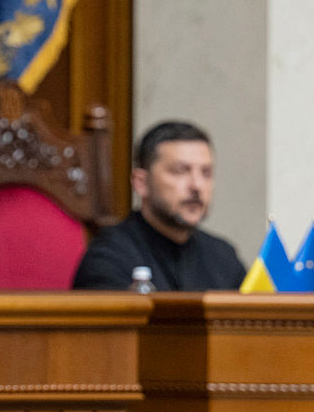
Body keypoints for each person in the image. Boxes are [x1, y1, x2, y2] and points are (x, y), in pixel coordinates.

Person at [72, 121, 247, 291]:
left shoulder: (223, 257)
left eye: (206, 173)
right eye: (180, 171)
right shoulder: (109, 258)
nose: (197, 185)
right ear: (141, 182)